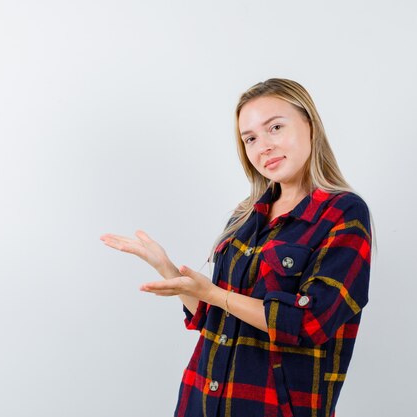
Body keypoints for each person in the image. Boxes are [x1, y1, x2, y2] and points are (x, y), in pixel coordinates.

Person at [100, 78, 374, 417]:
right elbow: (217, 317)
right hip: (199, 403)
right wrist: (167, 270)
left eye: (275, 127)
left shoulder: (343, 213)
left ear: (310, 125)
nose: (264, 146)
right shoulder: (246, 216)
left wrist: (215, 294)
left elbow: (309, 323)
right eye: (251, 138)